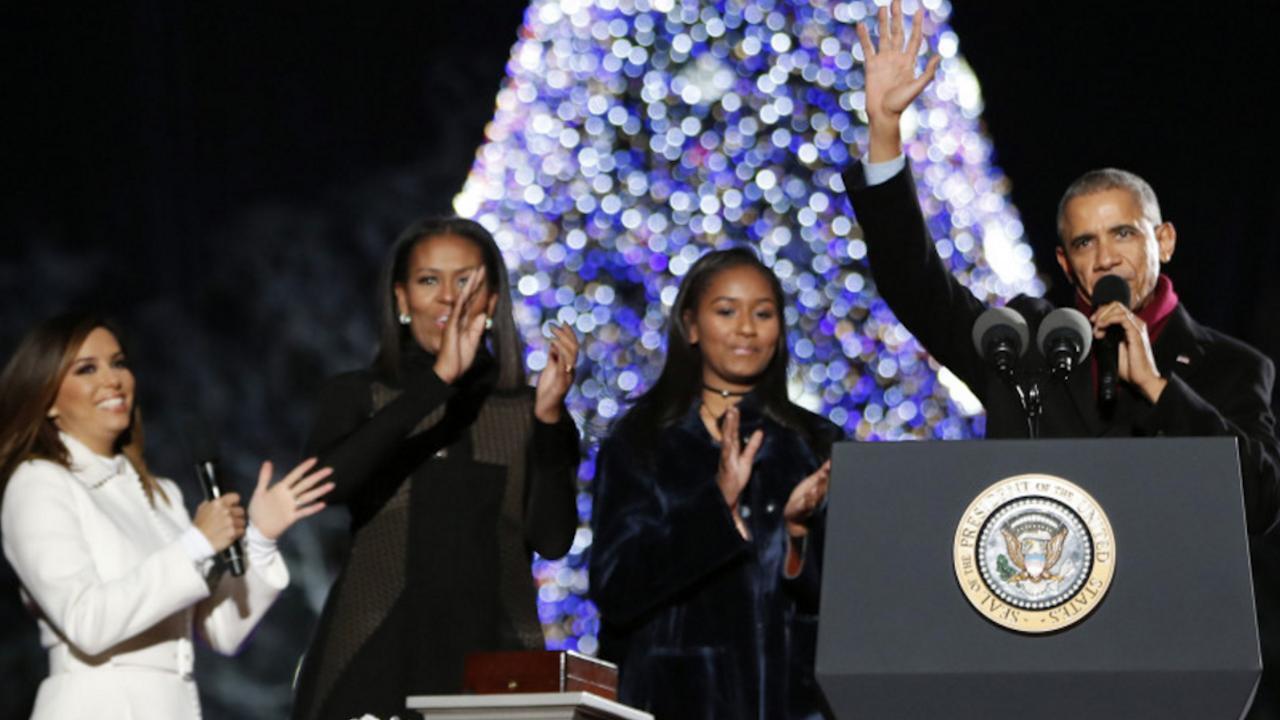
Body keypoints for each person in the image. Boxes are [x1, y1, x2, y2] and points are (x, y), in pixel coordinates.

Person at [841, 0, 1279, 531]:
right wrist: (884, 130)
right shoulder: (1020, 343)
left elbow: (1260, 503)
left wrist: (1158, 388)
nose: (1106, 257)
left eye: (1123, 233)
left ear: (1163, 241)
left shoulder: (1231, 367)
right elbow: (916, 285)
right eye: (1085, 243)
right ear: (1065, 263)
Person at [291, 217, 581, 720]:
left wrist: (550, 422)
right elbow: (322, 486)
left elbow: (552, 540)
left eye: (466, 281)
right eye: (429, 280)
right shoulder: (360, 394)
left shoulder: (528, 409)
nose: (449, 297)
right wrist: (438, 382)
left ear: (492, 300)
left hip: (495, 670)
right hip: (374, 661)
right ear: (401, 299)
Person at [0, 312, 334, 720]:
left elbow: (222, 632)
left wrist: (261, 537)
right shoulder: (39, 483)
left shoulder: (161, 495)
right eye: (87, 369)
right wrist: (195, 544)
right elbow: (86, 622)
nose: (113, 379)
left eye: (118, 363)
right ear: (47, 398)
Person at [589, 248, 842, 719]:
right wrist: (716, 505)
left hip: (791, 702)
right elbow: (616, 588)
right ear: (691, 325)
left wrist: (797, 535)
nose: (746, 328)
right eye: (726, 311)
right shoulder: (641, 442)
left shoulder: (816, 443)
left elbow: (850, 600)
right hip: (677, 701)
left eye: (763, 314)